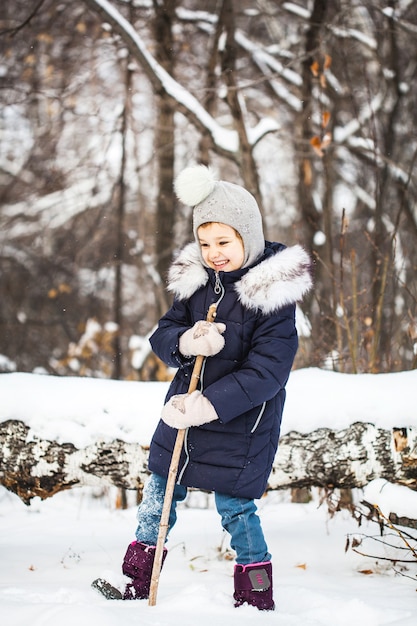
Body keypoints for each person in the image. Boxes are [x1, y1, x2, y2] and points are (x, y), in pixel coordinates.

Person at [93, 164, 312, 610]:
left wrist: (209, 404)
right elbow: (163, 332)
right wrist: (185, 340)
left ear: (248, 237)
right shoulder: (196, 285)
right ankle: (138, 581)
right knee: (159, 494)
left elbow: (269, 370)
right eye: (205, 243)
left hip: (240, 425)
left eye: (224, 242)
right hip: (182, 419)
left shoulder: (270, 294)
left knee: (235, 508)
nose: (214, 253)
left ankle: (255, 594)